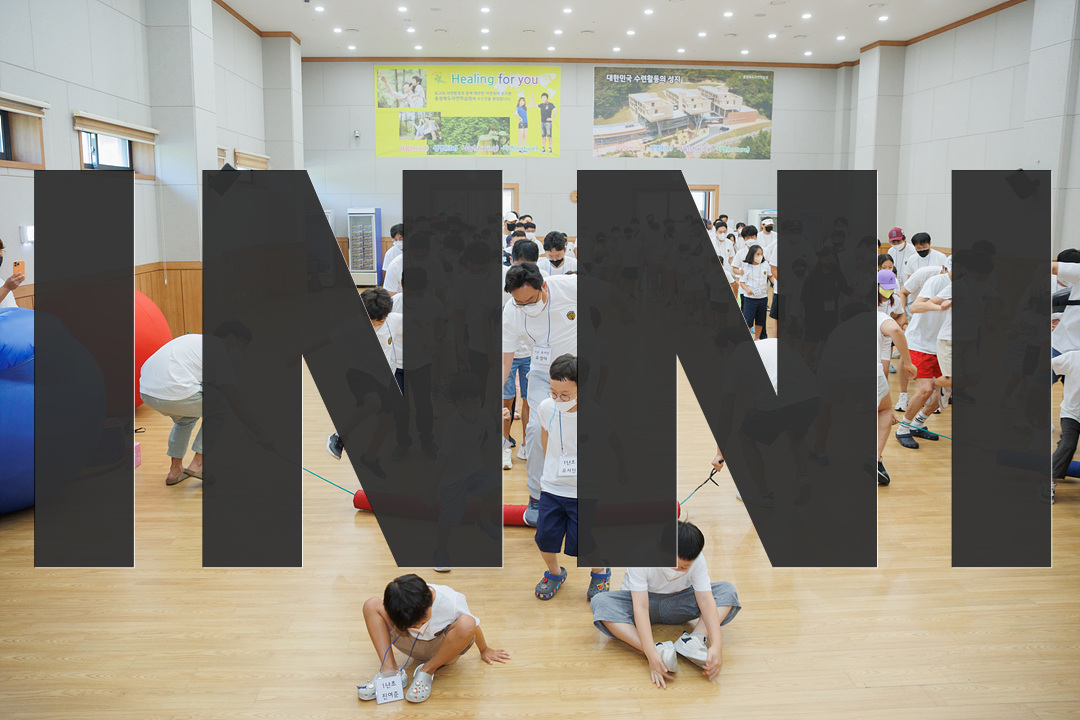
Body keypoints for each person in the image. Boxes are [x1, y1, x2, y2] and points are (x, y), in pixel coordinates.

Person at [589, 521, 741, 689]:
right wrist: (650, 654)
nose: (677, 570)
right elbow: (641, 607)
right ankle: (655, 650)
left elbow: (705, 600)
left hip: (678, 602)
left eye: (684, 567)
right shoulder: (641, 555)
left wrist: (717, 645)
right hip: (642, 602)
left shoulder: (697, 559)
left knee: (727, 591)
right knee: (600, 602)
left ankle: (694, 640)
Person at [140, 323, 269, 485]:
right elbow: (235, 403)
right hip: (174, 391)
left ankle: (175, 470)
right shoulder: (220, 352)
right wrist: (261, 434)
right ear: (232, 338)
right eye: (243, 345)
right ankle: (198, 463)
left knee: (186, 418)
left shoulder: (196, 341)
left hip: (146, 392)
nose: (243, 351)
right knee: (221, 407)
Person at [531, 354, 611, 600]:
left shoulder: (596, 414)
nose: (558, 399)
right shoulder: (546, 407)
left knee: (582, 541)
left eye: (565, 395)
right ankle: (555, 573)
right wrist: (551, 466)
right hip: (552, 486)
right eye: (553, 392)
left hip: (584, 490)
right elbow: (546, 435)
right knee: (544, 536)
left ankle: (600, 571)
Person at [358, 574, 510, 704]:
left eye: (422, 622)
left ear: (430, 601)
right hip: (409, 643)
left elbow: (474, 626)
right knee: (371, 604)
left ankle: (427, 670)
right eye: (412, 625)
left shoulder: (451, 601)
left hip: (442, 651)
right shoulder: (398, 605)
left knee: (467, 623)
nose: (418, 628)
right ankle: (389, 671)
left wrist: (484, 649)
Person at [502, 264, 577, 526]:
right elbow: (505, 360)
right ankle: (536, 496)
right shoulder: (511, 311)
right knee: (534, 429)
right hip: (543, 375)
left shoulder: (569, 287)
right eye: (519, 302)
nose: (525, 306)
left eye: (531, 300)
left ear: (543, 286)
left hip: (579, 373)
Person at [895, 264, 951, 449]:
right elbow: (916, 306)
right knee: (926, 389)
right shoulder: (936, 281)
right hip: (920, 343)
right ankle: (903, 429)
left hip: (942, 345)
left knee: (946, 389)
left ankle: (917, 424)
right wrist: (940, 307)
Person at [877, 306, 918, 485]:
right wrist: (908, 363)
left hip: (835, 373)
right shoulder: (879, 317)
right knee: (885, 411)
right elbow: (895, 330)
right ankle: (876, 459)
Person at [738, 241, 770, 340]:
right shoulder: (746, 267)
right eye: (758, 254)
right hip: (750, 299)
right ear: (752, 255)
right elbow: (742, 282)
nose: (760, 256)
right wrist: (747, 290)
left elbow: (770, 276)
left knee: (760, 321)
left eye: (761, 254)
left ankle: (757, 339)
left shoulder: (765, 265)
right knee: (748, 321)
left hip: (763, 298)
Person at [0, 237, 26, 309]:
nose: (0, 254)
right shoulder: (5, 286)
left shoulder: (1, 280)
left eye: (0, 250)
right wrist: (6, 288)